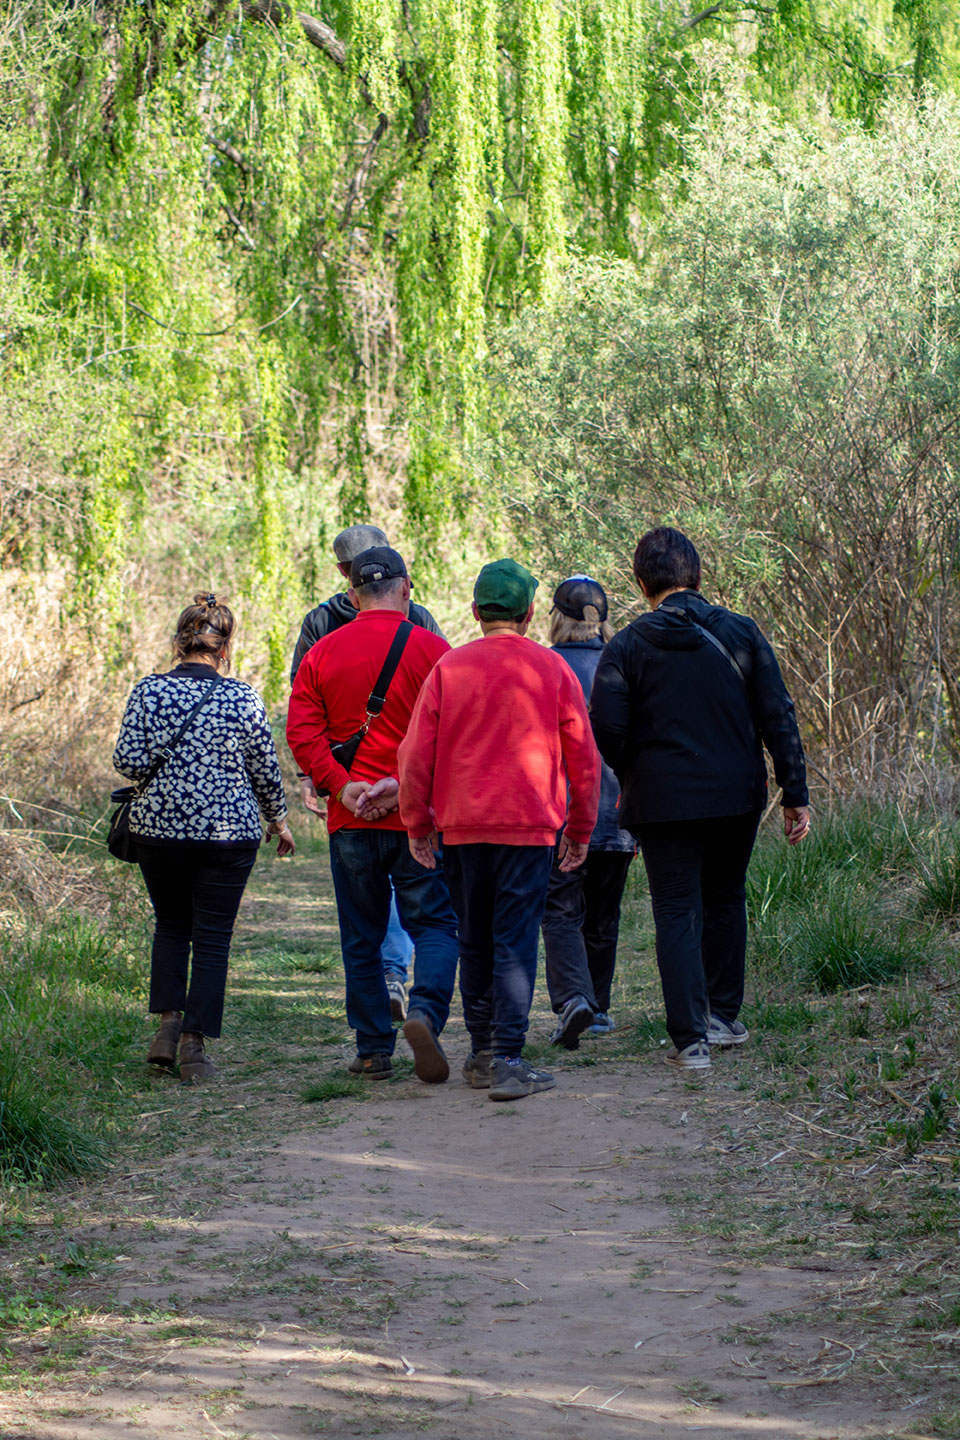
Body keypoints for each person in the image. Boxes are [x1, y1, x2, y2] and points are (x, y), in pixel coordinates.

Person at [590, 527, 810, 1072]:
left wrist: (637, 772)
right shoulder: (742, 632)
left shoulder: (626, 646)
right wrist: (794, 793)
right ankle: (723, 1017)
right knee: (725, 897)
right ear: (699, 576)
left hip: (663, 802)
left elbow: (607, 730)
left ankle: (690, 1042)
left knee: (675, 909)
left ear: (641, 583)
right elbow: (777, 713)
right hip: (738, 794)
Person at [395, 558, 601, 1101]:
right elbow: (584, 758)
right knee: (513, 941)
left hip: (461, 829)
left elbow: (415, 754)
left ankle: (483, 1052)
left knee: (474, 939)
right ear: (531, 612)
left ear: (474, 611)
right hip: (529, 828)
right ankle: (510, 1059)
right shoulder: (551, 669)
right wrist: (580, 829)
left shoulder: (450, 668)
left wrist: (417, 822)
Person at [286, 546, 459, 1083]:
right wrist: (405, 786)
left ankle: (371, 1051)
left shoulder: (322, 652)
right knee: (433, 923)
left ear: (352, 595)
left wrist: (342, 787)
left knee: (360, 933)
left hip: (351, 819)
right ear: (407, 589)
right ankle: (425, 1013)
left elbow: (301, 732)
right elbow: (455, 735)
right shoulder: (435, 651)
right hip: (417, 819)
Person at [113, 594, 295, 1084]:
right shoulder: (244, 698)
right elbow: (264, 769)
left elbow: (128, 762)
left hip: (159, 831)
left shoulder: (148, 692)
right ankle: (194, 1048)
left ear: (180, 641)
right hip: (229, 835)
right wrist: (278, 820)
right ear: (225, 646)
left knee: (171, 926)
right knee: (213, 939)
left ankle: (166, 1029)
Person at [540, 576, 635, 1049]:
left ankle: (573, 999)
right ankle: (596, 1008)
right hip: (618, 813)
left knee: (560, 912)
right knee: (604, 916)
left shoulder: (544, 666)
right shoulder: (624, 663)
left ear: (555, 618)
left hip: (560, 813)